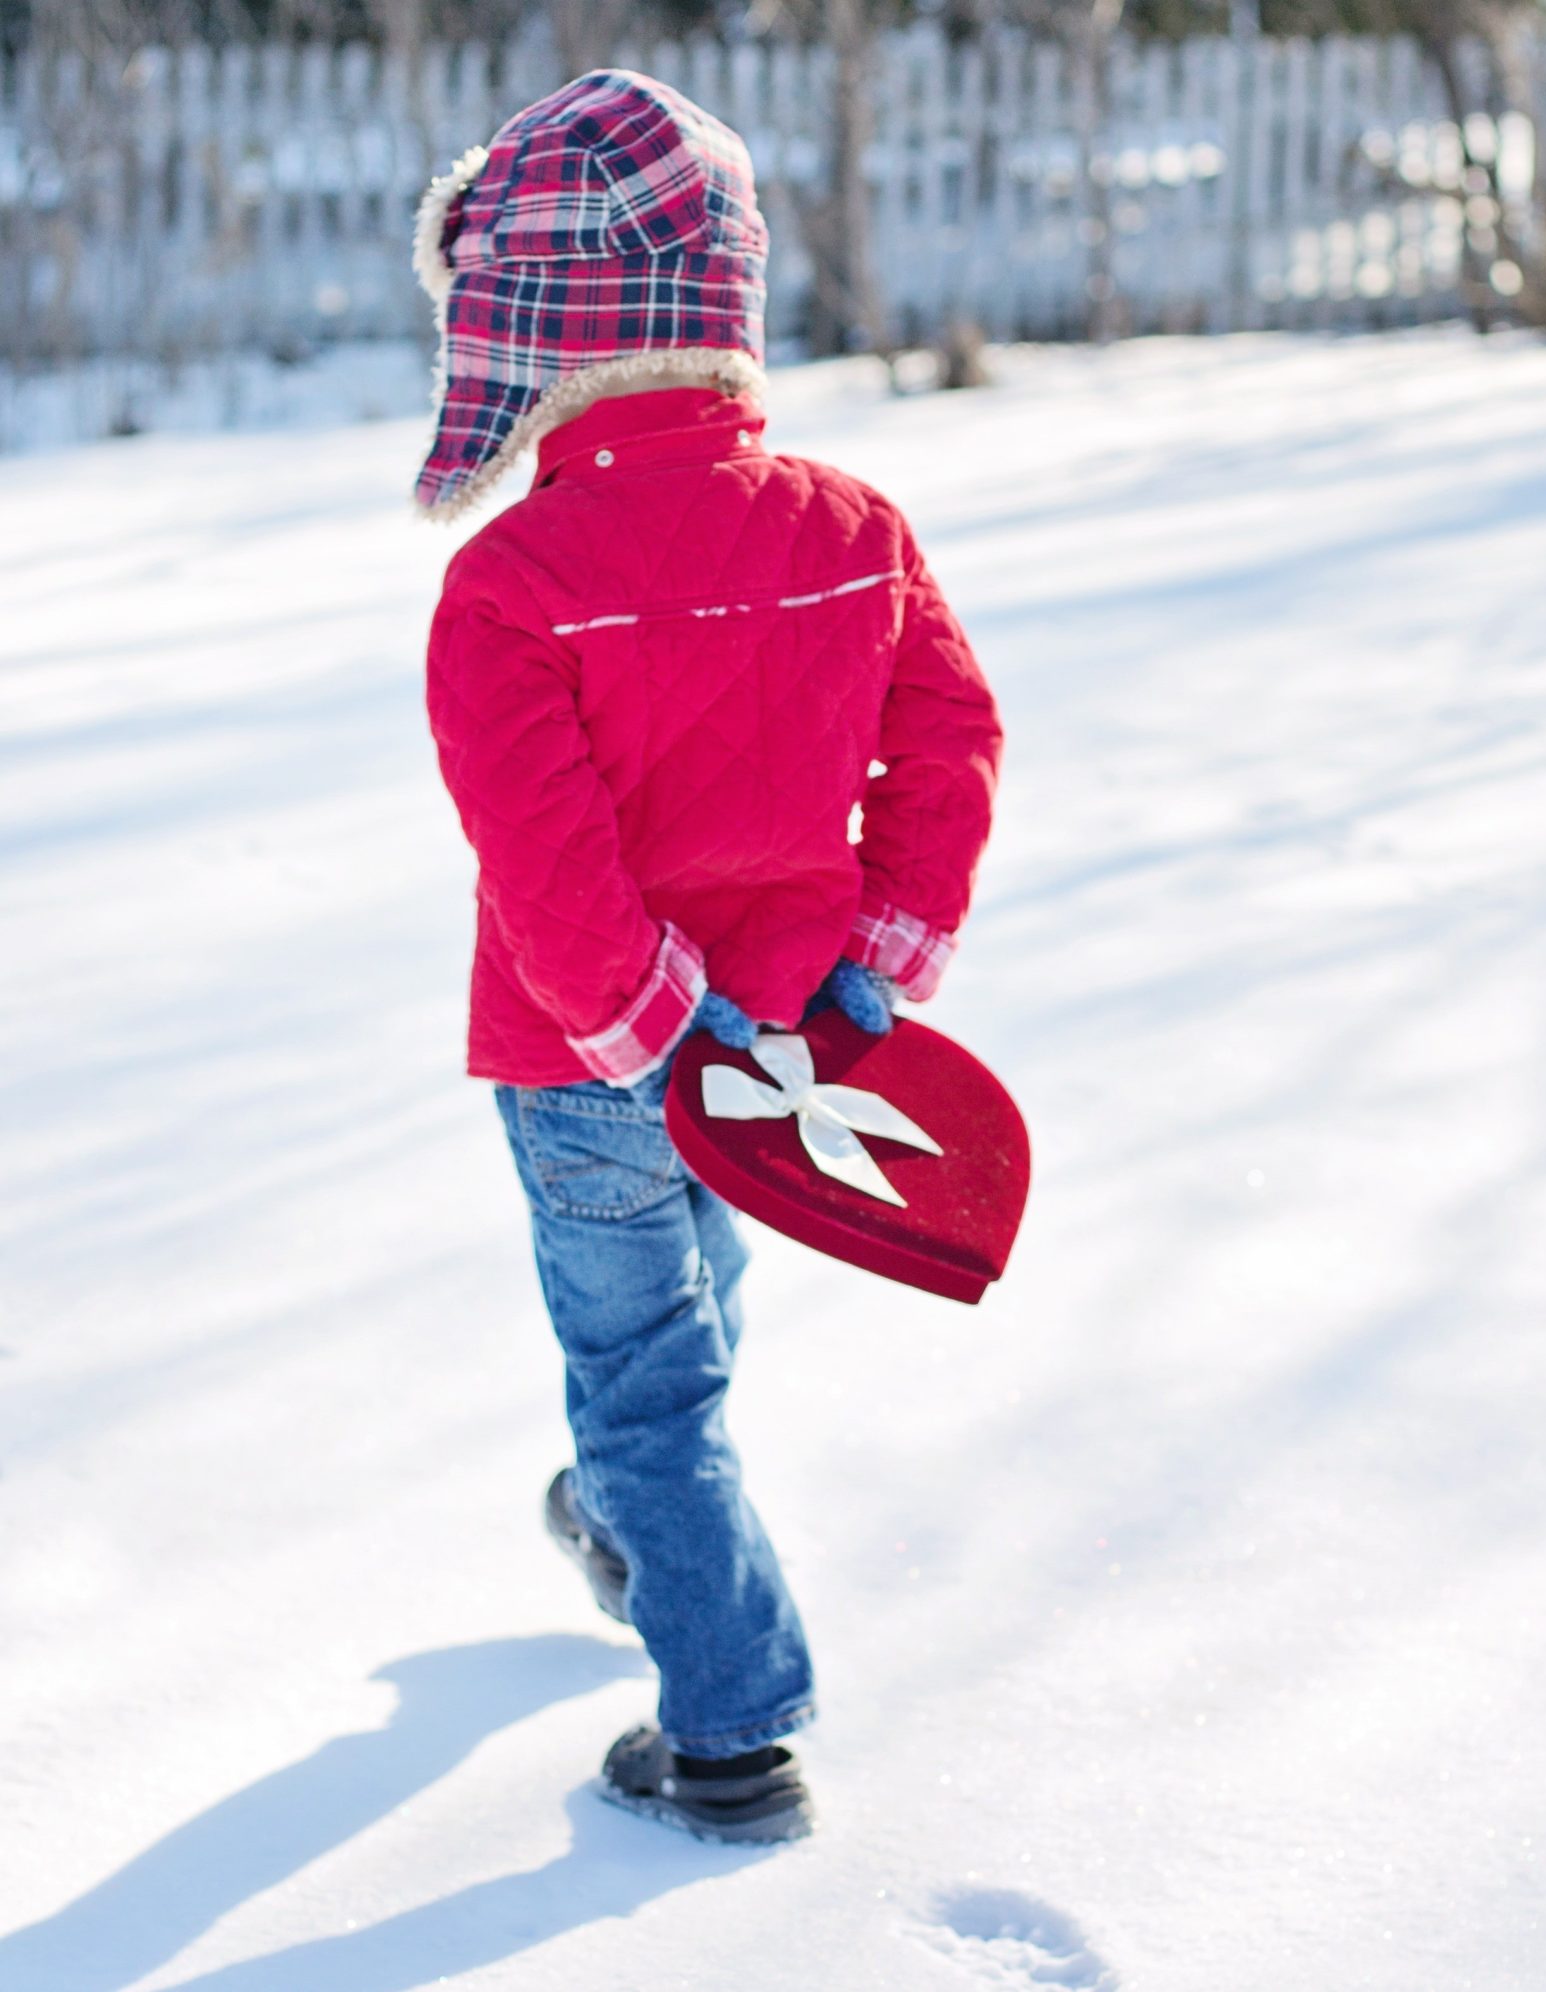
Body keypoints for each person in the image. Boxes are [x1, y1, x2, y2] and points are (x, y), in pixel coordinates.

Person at [414, 70, 1002, 1844]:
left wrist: (636, 1019)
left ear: (532, 334)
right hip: (776, 1046)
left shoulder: (512, 579)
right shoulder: (849, 527)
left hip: (593, 1055)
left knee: (646, 1369)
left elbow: (547, 856)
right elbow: (951, 741)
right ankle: (631, 1516)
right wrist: (874, 947)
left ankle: (731, 1727)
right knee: (688, 1317)